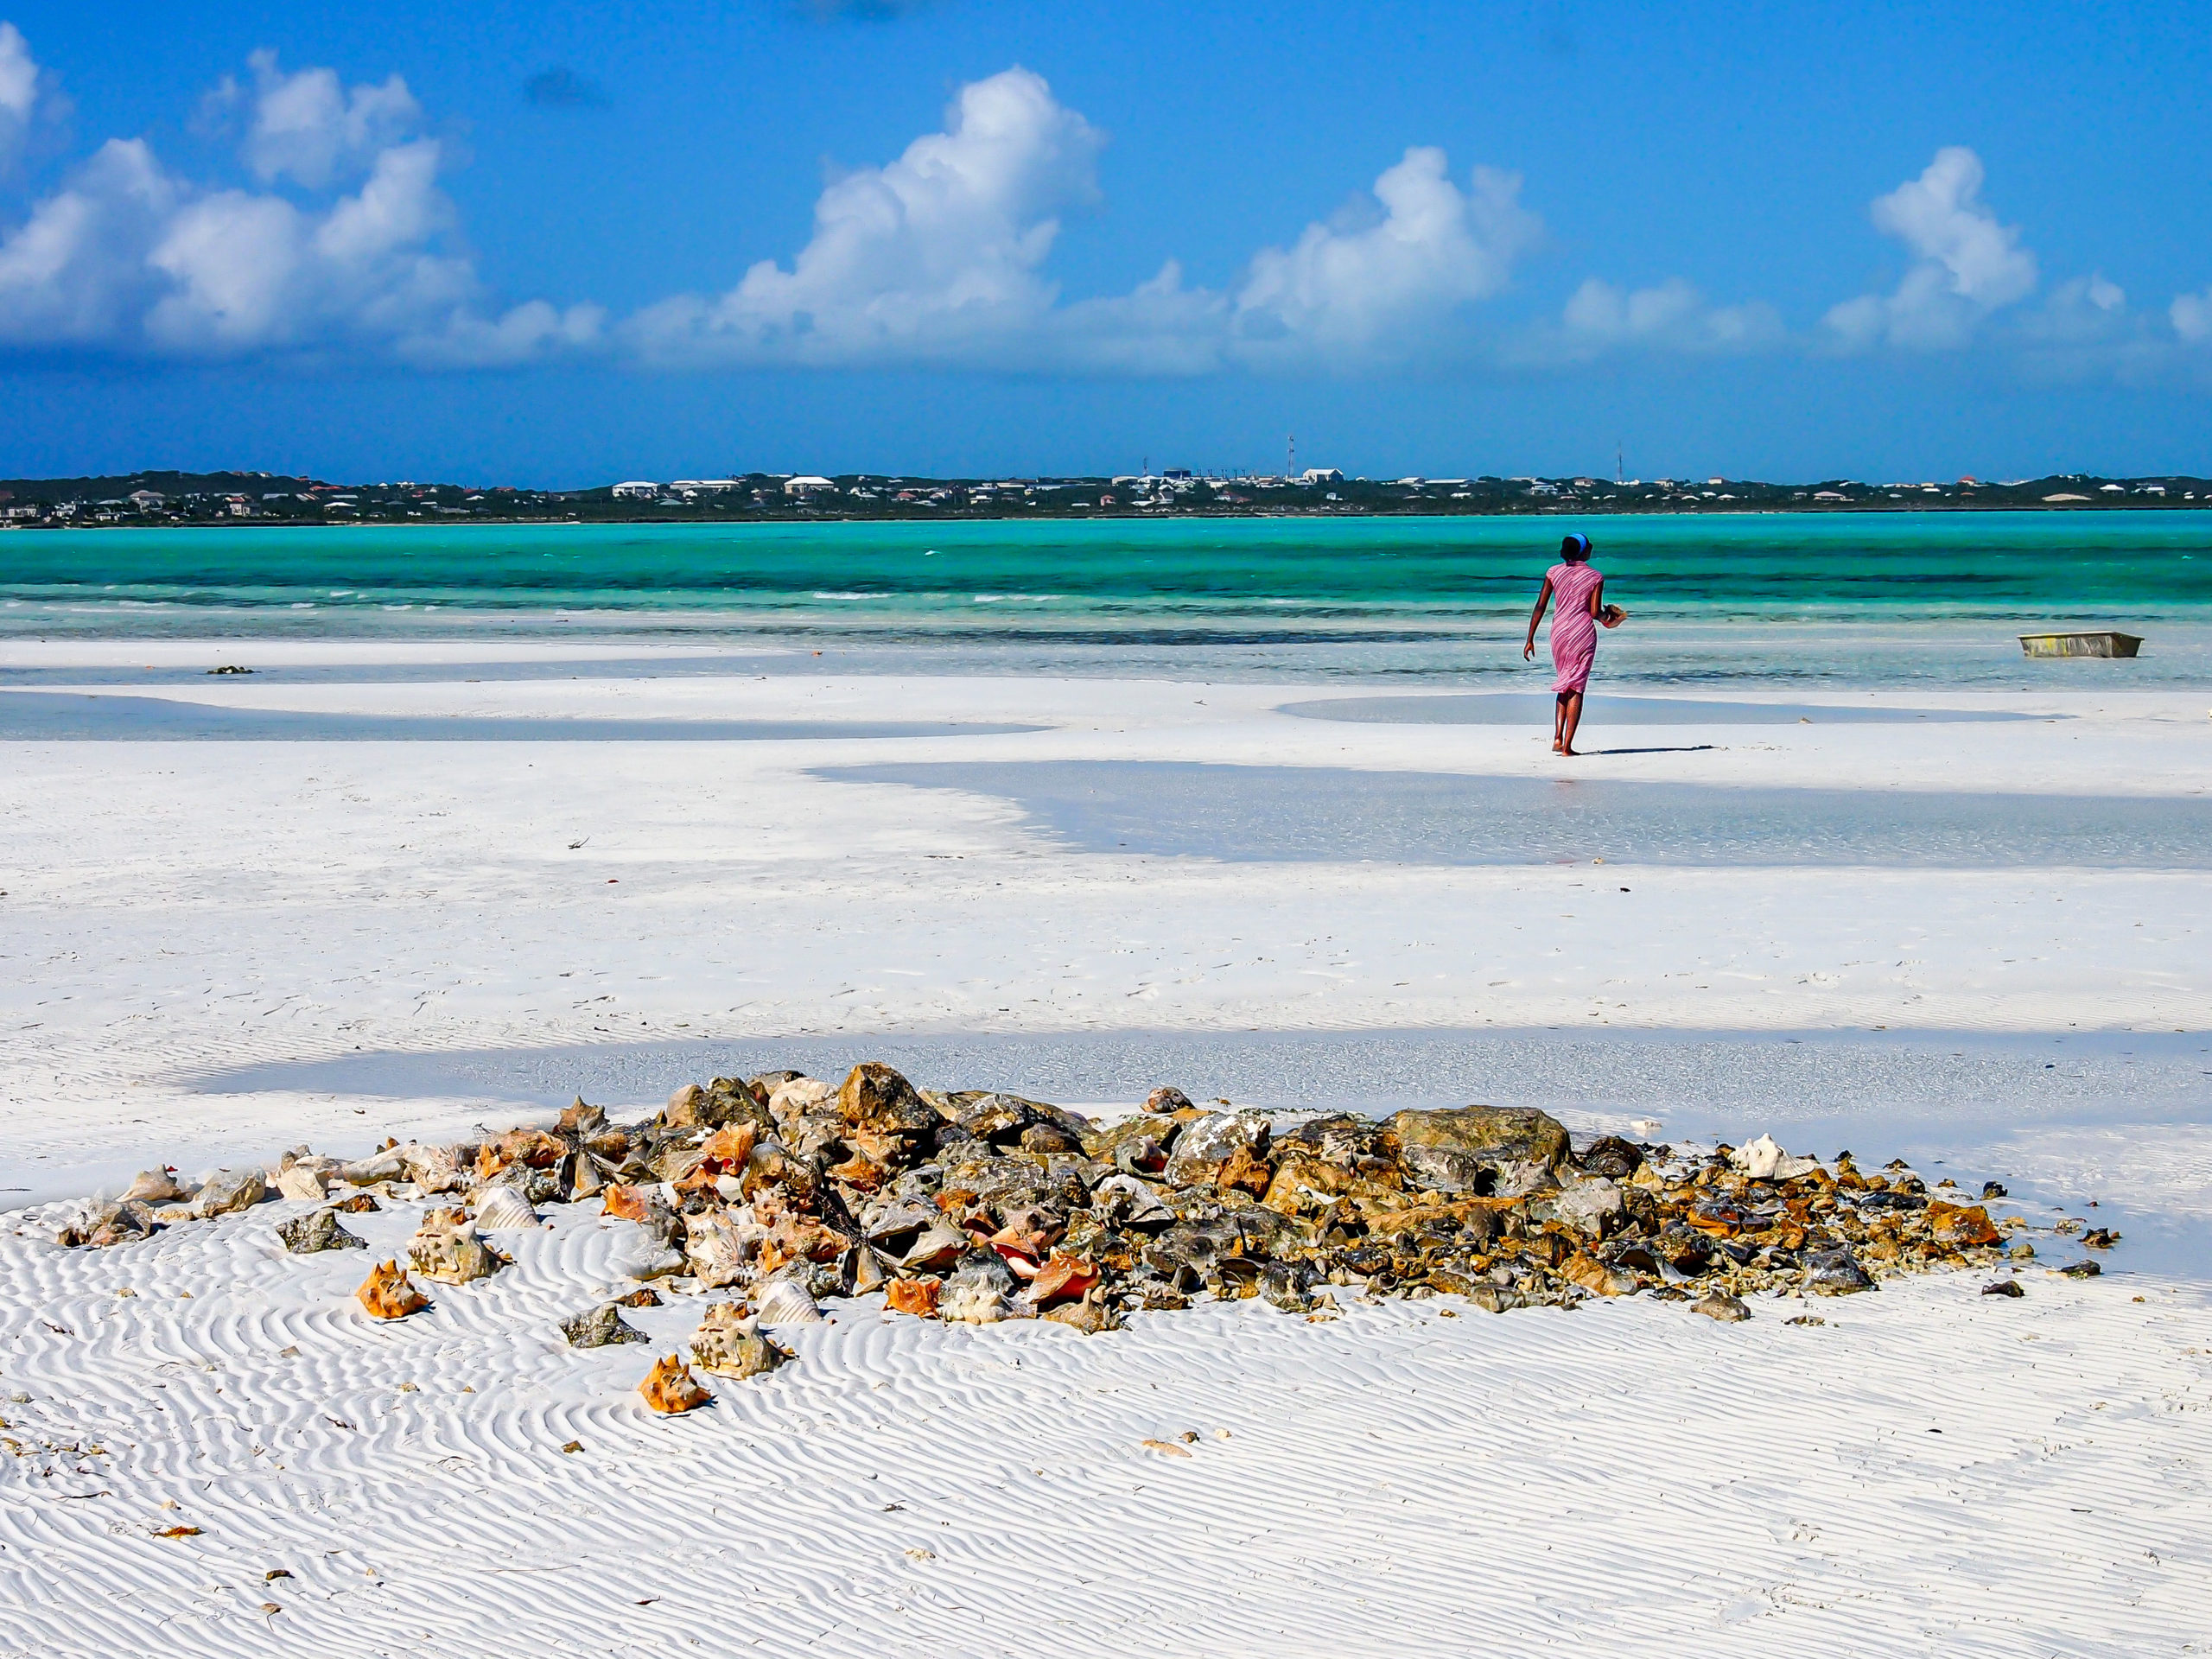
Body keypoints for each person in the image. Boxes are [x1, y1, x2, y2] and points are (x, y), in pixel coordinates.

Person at [1522, 532, 1624, 756]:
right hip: (1582, 632)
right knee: (1576, 687)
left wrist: (1530, 638)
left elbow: (1540, 606)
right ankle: (1568, 747)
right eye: (1589, 545)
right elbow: (1595, 612)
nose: (1591, 548)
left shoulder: (1553, 572)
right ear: (1583, 551)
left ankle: (1558, 737)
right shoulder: (1595, 577)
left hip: (1558, 631)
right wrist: (1613, 618)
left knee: (1564, 682)